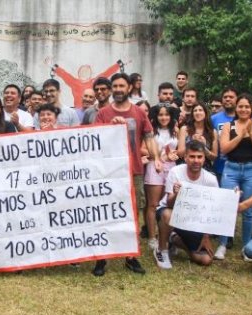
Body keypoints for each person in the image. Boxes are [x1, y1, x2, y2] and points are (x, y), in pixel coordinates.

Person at [92, 72, 162, 276]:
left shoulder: (139, 113)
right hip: (109, 172)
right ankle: (101, 259)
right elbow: (93, 141)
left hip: (133, 171)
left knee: (132, 214)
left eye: (122, 86)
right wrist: (109, 127)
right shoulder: (103, 113)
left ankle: (130, 257)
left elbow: (149, 138)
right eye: (115, 86)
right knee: (104, 212)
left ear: (129, 88)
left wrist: (156, 157)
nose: (118, 90)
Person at [217, 94, 252, 259]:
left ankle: (246, 247)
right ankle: (222, 244)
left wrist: (251, 133)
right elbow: (224, 149)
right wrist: (241, 134)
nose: (244, 109)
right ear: (236, 108)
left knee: (249, 209)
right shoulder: (228, 126)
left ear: (251, 108)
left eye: (247, 106)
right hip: (231, 169)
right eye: (241, 106)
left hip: (251, 170)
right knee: (226, 207)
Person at [155, 140, 220, 268]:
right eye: (192, 156)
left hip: (194, 220)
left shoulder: (211, 179)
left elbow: (212, 210)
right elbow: (169, 203)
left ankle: (173, 239)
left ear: (204, 158)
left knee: (206, 259)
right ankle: (162, 250)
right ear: (185, 158)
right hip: (172, 212)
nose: (196, 160)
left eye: (199, 157)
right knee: (168, 214)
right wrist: (176, 194)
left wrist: (206, 236)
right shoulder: (175, 172)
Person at [143, 104, 179, 262]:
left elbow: (180, 149)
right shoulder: (150, 132)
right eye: (160, 115)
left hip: (172, 169)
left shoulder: (175, 131)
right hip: (155, 167)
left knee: (170, 204)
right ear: (155, 116)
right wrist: (157, 155)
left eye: (166, 115)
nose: (163, 118)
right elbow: (142, 149)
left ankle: (169, 236)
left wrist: (173, 155)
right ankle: (152, 237)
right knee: (153, 204)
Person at [177, 102, 217, 172]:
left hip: (205, 168)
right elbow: (180, 154)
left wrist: (204, 148)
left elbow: (214, 157)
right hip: (186, 167)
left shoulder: (212, 132)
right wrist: (192, 142)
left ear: (205, 113)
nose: (198, 113)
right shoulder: (185, 129)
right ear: (192, 114)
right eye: (195, 110)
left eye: (200, 110)